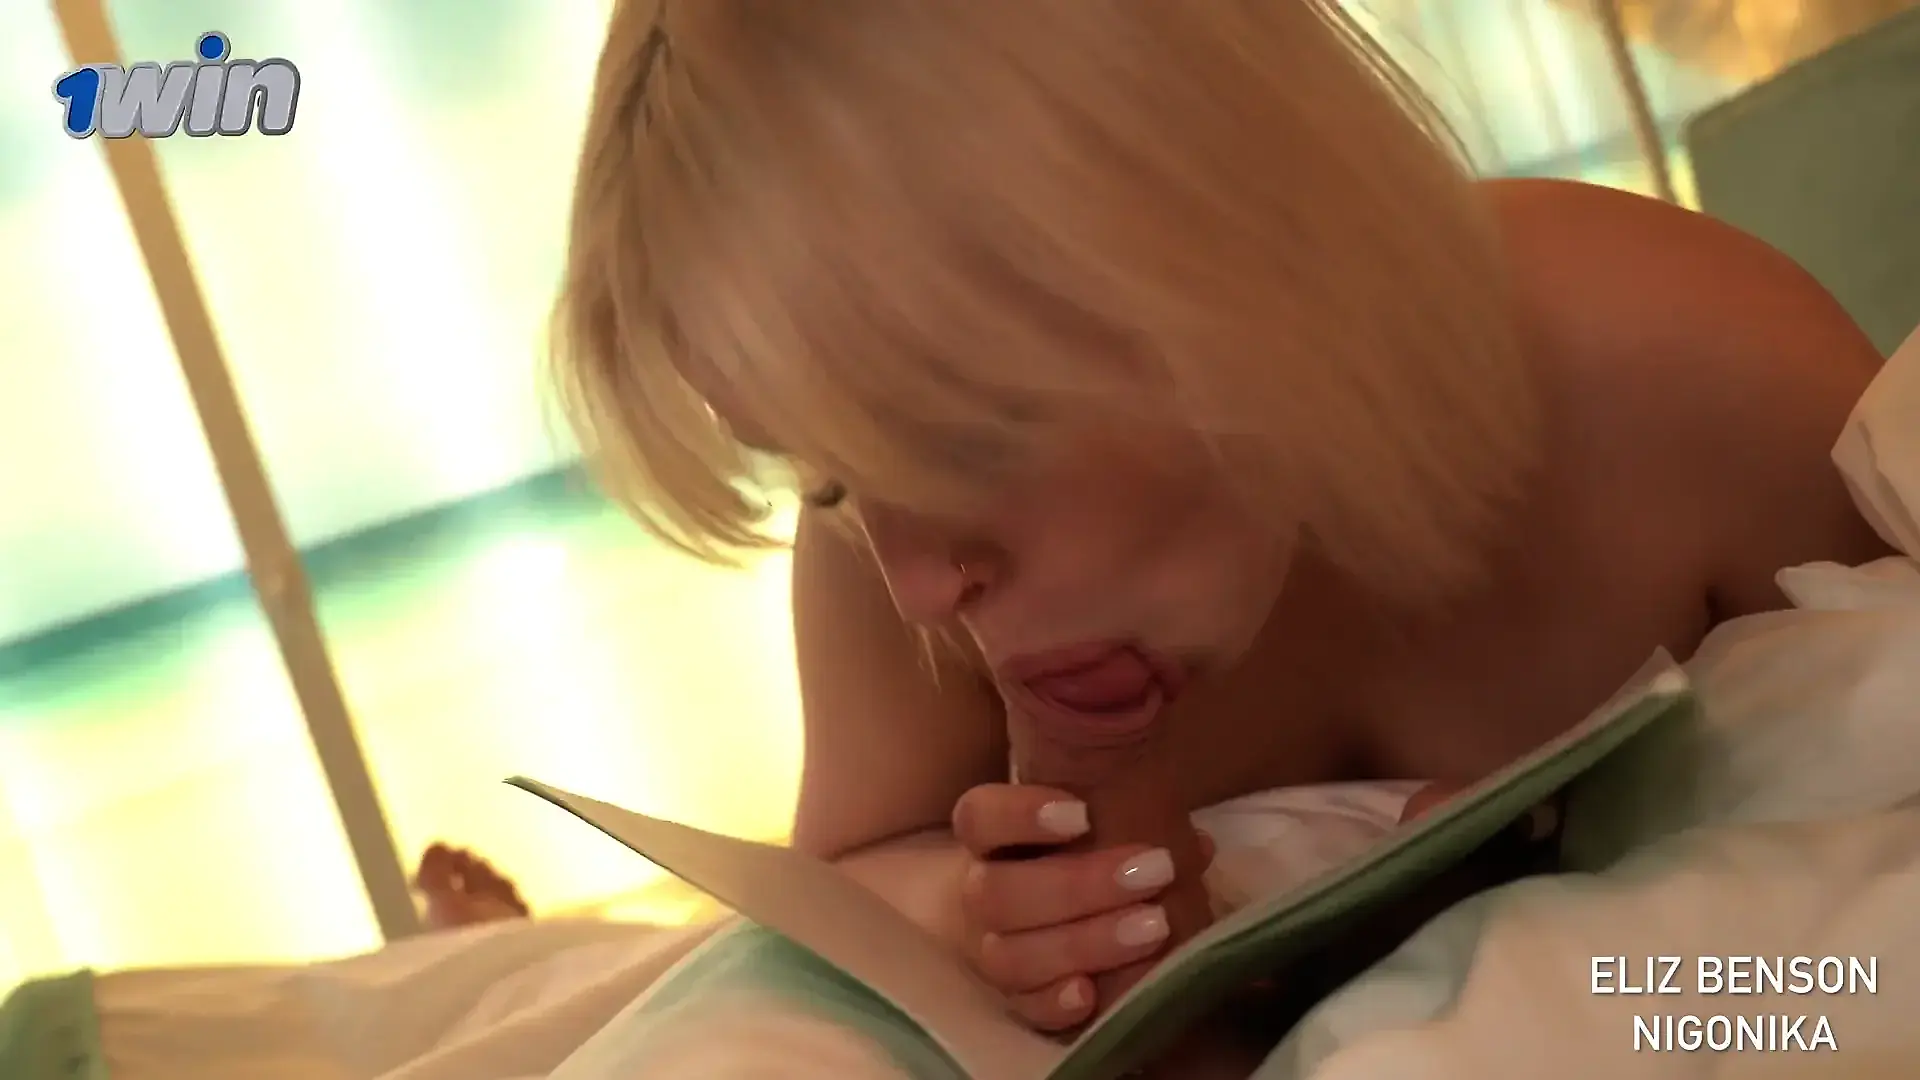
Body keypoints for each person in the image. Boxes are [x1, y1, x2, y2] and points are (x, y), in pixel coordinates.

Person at [548, 0, 1892, 1068]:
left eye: (960, 438)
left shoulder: (1674, 369)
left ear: (1221, 236)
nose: (915, 583)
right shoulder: (886, 569)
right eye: (831, 476)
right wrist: (974, 909)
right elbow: (838, 891)